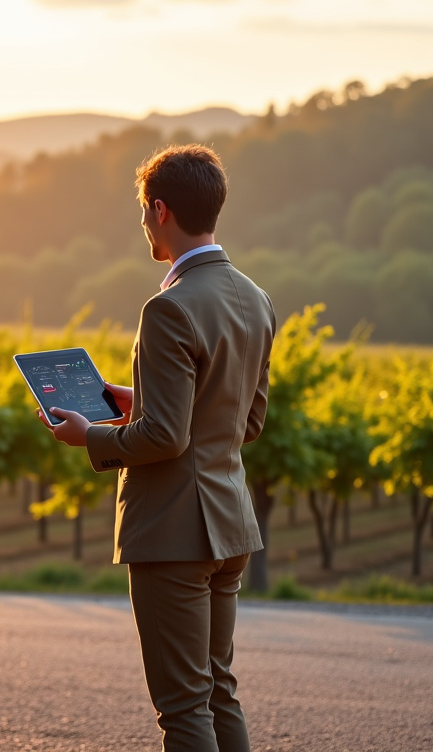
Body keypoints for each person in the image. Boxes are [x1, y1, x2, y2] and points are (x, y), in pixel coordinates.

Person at [38, 144, 275, 751]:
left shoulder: (169, 307)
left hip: (175, 532)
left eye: (144, 212)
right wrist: (135, 397)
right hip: (229, 525)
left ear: (161, 210)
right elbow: (245, 422)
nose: (144, 223)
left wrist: (86, 434)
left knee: (182, 708)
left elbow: (165, 438)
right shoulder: (254, 298)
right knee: (219, 691)